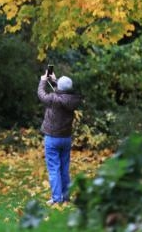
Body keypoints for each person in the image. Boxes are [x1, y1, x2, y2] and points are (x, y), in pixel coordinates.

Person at [38, 69, 82, 205]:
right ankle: (66, 197)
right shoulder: (73, 99)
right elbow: (64, 91)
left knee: (53, 169)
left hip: (52, 138)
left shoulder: (54, 99)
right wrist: (55, 81)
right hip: (66, 138)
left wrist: (43, 81)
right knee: (64, 168)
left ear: (59, 88)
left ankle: (57, 199)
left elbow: (41, 94)